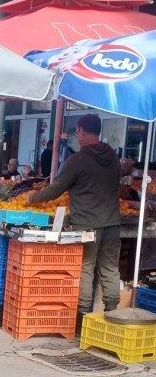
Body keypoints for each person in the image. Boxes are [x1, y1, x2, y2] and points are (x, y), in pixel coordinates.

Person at [27, 114, 122, 325]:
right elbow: (117, 183)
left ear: (82, 131)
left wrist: (32, 198)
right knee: (109, 268)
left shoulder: (78, 160)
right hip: (113, 222)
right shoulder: (113, 157)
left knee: (86, 267)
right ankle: (113, 314)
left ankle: (82, 317)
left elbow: (54, 190)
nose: (76, 137)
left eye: (77, 132)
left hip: (88, 224)